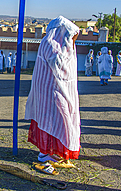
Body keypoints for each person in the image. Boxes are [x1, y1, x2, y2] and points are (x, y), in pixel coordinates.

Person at [25, 16, 80, 164]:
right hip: (50, 90)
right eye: (70, 36)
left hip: (57, 90)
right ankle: (44, 154)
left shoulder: (61, 44)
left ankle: (51, 151)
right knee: (51, 121)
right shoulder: (51, 43)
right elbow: (59, 66)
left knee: (58, 121)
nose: (72, 40)